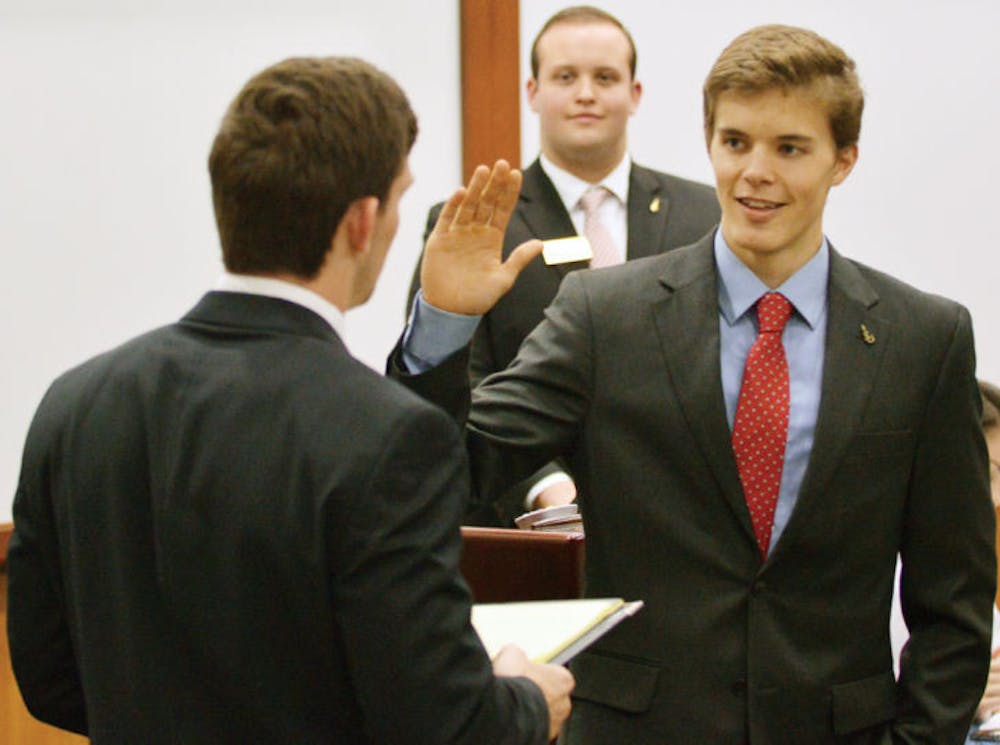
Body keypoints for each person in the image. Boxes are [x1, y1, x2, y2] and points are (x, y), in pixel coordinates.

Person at [394, 25, 996, 743]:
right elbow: (443, 473)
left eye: (790, 148)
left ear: (844, 160)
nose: (755, 173)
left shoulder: (923, 338)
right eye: (735, 142)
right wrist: (443, 324)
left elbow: (953, 603)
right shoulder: (603, 314)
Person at [6, 56, 572, 744]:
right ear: (364, 221)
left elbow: (49, 679)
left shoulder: (74, 405)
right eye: (398, 199)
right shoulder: (385, 434)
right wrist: (526, 696)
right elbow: (445, 723)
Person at [408, 5, 721, 525]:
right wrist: (546, 487)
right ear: (531, 91)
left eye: (605, 77)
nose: (585, 93)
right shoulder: (477, 225)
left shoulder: (705, 214)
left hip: (681, 519)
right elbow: (462, 382)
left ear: (634, 94)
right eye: (565, 77)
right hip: (527, 525)